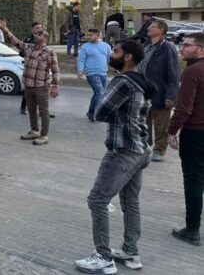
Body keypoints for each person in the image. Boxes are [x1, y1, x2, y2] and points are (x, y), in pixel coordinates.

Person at [74, 39, 153, 274]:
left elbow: (99, 112)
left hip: (122, 151)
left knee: (97, 200)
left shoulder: (122, 82)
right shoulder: (142, 81)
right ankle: (130, 252)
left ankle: (103, 257)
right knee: (130, 202)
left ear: (127, 57)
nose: (111, 54)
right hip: (141, 149)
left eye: (116, 51)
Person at [167, 32, 204, 246]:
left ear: (201, 49)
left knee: (193, 179)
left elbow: (183, 108)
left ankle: (192, 229)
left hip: (196, 133)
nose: (182, 48)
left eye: (187, 45)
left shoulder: (192, 71)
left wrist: (172, 131)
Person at [0, 19, 60, 145]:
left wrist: (55, 86)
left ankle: (43, 135)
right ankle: (34, 130)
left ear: (46, 38)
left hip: (42, 86)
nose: (37, 35)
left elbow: (55, 70)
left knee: (43, 112)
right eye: (37, 33)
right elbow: (14, 40)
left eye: (41, 34)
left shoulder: (49, 52)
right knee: (31, 110)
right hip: (29, 86)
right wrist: (4, 29)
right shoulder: (28, 47)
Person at [137, 20, 180, 162]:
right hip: (144, 92)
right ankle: (146, 147)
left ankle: (160, 150)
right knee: (144, 122)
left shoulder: (167, 48)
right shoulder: (147, 45)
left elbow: (173, 74)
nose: (148, 29)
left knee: (161, 125)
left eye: (152, 27)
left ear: (161, 30)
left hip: (161, 94)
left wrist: (171, 96)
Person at [78, 29, 112, 122]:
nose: (89, 37)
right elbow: (81, 60)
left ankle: (97, 112)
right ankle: (92, 112)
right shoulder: (85, 46)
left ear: (98, 36)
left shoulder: (106, 46)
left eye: (91, 35)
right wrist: (80, 71)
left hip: (103, 73)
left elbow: (111, 58)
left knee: (102, 94)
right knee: (99, 92)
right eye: (88, 35)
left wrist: (118, 68)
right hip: (91, 73)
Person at [19, 22, 43, 115]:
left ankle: (41, 110)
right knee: (28, 90)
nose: (39, 29)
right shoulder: (28, 40)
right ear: (32, 30)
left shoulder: (43, 38)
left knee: (40, 89)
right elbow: (21, 53)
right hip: (30, 68)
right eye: (37, 28)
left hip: (40, 68)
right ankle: (23, 107)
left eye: (40, 27)